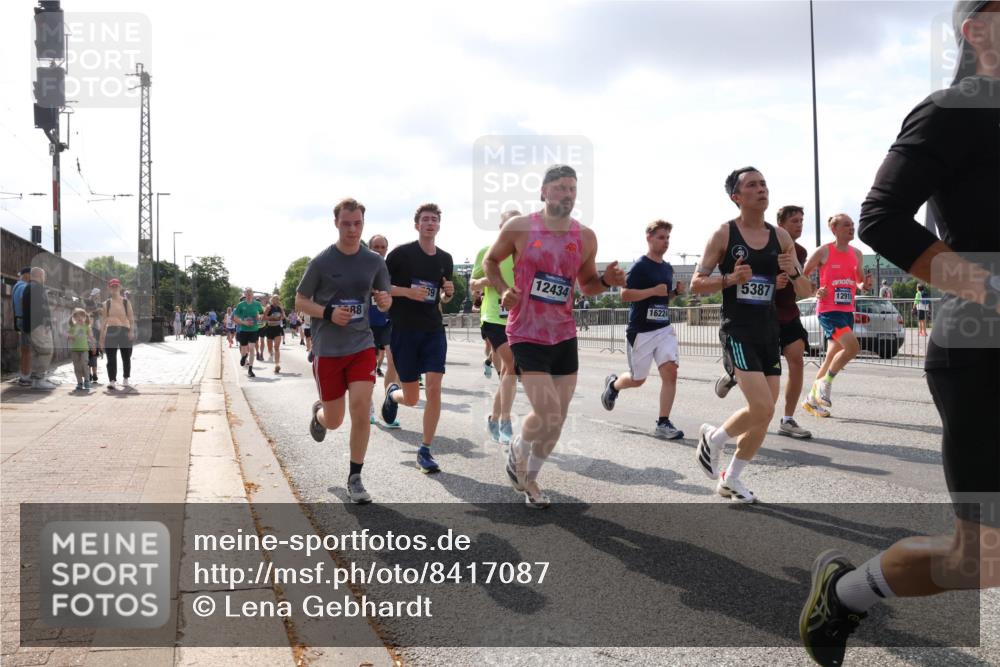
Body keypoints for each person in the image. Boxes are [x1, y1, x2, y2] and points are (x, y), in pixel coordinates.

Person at [800, 3, 1000, 664]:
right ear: (976, 29)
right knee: (980, 559)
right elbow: (881, 216)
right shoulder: (953, 110)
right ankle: (847, 592)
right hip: (981, 353)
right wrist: (987, 286)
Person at [483, 164, 626, 508]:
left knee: (558, 420)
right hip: (527, 332)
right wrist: (504, 289)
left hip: (563, 334)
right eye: (560, 188)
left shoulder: (585, 237)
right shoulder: (519, 227)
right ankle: (518, 446)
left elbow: (588, 285)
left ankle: (530, 478)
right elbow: (491, 261)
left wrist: (606, 281)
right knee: (546, 411)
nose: (567, 194)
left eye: (573, 189)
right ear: (544, 192)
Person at [690, 167, 812, 503]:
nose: (761, 189)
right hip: (738, 331)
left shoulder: (781, 237)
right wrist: (729, 280)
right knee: (760, 406)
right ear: (736, 197)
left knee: (766, 412)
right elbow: (696, 284)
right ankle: (713, 439)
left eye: (764, 184)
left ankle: (731, 479)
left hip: (767, 331)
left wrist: (794, 271)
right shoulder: (724, 235)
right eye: (752, 185)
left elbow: (805, 290)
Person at [296, 197, 392, 504]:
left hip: (361, 344)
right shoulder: (322, 262)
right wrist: (326, 313)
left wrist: (385, 301)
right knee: (335, 420)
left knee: (362, 409)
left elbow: (384, 295)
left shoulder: (375, 261)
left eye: (358, 223)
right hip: (328, 348)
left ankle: (355, 477)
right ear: (336, 223)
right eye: (346, 223)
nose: (352, 229)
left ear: (363, 223)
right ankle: (320, 414)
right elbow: (300, 301)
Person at [380, 203, 455, 473]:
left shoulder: (445, 258)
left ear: (439, 225)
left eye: (434, 219)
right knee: (411, 398)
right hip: (404, 330)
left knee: (434, 388)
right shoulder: (400, 255)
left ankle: (425, 450)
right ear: (417, 225)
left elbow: (445, 295)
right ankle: (392, 394)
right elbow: (381, 286)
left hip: (434, 329)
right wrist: (407, 292)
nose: (430, 223)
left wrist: (449, 291)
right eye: (425, 219)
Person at [600, 219, 686, 440]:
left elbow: (662, 296)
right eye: (661, 237)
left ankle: (663, 423)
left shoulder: (667, 268)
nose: (665, 242)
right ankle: (614, 385)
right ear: (649, 238)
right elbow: (624, 295)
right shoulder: (640, 266)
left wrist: (674, 293)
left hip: (663, 328)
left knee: (671, 373)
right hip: (641, 331)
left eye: (668, 238)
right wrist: (652, 291)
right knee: (638, 380)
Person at [799, 213, 873, 418]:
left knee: (831, 356)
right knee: (853, 347)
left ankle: (811, 400)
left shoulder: (857, 253)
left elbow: (858, 281)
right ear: (835, 229)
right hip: (829, 310)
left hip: (847, 310)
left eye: (853, 225)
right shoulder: (824, 251)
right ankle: (826, 384)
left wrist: (864, 285)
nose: (851, 228)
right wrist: (815, 291)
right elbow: (803, 276)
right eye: (846, 225)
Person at [471, 209, 520, 445]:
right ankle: (506, 421)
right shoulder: (487, 251)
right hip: (493, 316)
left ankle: (495, 417)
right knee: (510, 363)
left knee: (508, 372)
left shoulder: (528, 253)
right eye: (507, 224)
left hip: (519, 318)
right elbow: (472, 284)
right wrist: (485, 281)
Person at [367, 234, 401, 427]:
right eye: (376, 247)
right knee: (369, 367)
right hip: (367, 324)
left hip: (388, 322)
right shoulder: (363, 266)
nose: (380, 250)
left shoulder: (390, 269)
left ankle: (389, 406)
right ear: (370, 248)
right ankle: (369, 406)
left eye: (383, 247)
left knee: (393, 362)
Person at [22, 267, 56, 390]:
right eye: (44, 276)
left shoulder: (27, 288)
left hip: (29, 326)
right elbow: (43, 309)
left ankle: (36, 380)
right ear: (40, 276)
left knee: (37, 353)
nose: (45, 279)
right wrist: (47, 325)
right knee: (46, 351)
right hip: (39, 326)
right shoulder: (39, 288)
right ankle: (39, 379)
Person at [99, 278, 136, 390]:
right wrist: (101, 339)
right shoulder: (106, 304)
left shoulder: (126, 302)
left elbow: (131, 318)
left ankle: (125, 377)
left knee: (126, 356)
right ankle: (112, 380)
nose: (114, 288)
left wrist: (131, 331)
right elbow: (104, 321)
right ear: (109, 288)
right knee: (111, 358)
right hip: (111, 331)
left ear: (120, 288)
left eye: (116, 286)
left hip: (124, 330)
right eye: (112, 286)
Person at [234, 287, 264, 378]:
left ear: (253, 294)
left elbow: (262, 314)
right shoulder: (240, 305)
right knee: (244, 348)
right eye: (247, 293)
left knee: (251, 348)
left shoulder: (257, 304)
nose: (249, 295)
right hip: (243, 329)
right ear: (245, 294)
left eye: (250, 293)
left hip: (254, 329)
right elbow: (235, 318)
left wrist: (259, 317)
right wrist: (244, 322)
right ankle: (244, 356)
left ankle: (250, 369)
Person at [11, 267, 32, 386]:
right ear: (27, 275)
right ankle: (25, 377)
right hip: (25, 320)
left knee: (25, 349)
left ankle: (24, 375)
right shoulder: (24, 287)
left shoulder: (16, 286)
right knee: (27, 350)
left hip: (19, 319)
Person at [67, 308, 94, 391]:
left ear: (85, 317)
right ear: (74, 318)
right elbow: (69, 336)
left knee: (84, 364)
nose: (80, 318)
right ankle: (79, 382)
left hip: (84, 349)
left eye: (82, 316)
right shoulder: (73, 327)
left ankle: (87, 381)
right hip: (75, 350)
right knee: (77, 367)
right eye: (77, 316)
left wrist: (94, 345)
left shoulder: (86, 327)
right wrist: (71, 336)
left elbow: (90, 337)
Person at [264, 294, 286, 372]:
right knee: (270, 348)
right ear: (272, 300)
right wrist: (272, 317)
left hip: (277, 328)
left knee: (276, 347)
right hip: (270, 328)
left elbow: (284, 316)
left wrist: (280, 317)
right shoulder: (268, 307)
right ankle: (271, 353)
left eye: (277, 299)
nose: (276, 300)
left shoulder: (280, 308)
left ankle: (277, 365)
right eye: (274, 299)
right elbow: (264, 317)